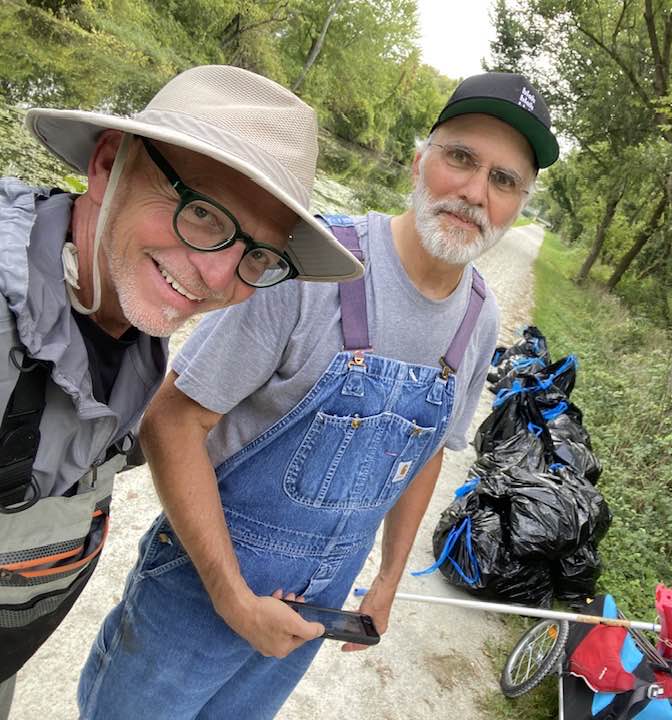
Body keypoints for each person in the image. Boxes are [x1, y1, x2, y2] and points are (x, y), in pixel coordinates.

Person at [77, 71, 560, 719]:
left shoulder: (478, 325)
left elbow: (429, 455)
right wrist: (232, 598)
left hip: (313, 614)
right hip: (197, 596)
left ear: (519, 205)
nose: (475, 191)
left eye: (504, 180)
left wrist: (388, 578)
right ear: (420, 162)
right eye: (461, 158)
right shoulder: (309, 270)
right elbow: (172, 421)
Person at [0, 65, 363, 718]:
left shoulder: (128, 334)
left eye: (259, 254)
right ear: (108, 163)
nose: (220, 276)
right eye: (202, 211)